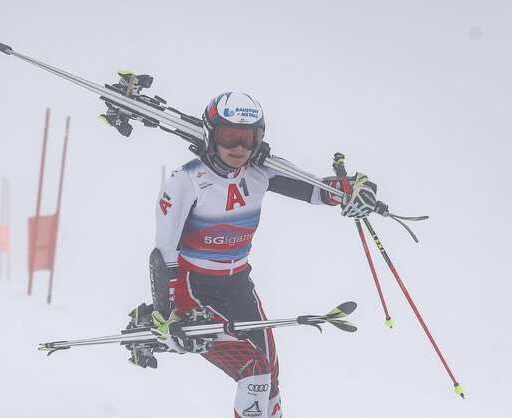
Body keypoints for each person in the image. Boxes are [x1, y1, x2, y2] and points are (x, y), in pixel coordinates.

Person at [151, 92, 377, 418]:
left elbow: (317, 189)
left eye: (250, 137)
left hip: (239, 286)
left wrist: (358, 189)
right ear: (211, 133)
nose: (239, 147)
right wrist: (165, 314)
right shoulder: (185, 182)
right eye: (230, 136)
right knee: (253, 370)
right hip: (193, 292)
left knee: (269, 376)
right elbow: (163, 254)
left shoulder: (261, 171)